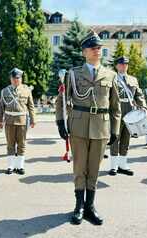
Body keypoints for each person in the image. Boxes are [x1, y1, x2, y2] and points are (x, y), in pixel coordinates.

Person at [56, 31, 121, 225]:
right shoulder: (73, 74)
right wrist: (60, 122)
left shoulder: (110, 74)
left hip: (101, 127)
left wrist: (115, 129)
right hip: (78, 127)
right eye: (93, 48)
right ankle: (79, 206)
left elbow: (115, 106)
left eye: (99, 48)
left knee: (94, 169)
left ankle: (90, 206)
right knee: (79, 169)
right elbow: (62, 100)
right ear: (84, 52)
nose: (97, 51)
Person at [109, 56, 146, 176]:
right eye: (121, 64)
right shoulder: (111, 78)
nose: (123, 66)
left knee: (126, 138)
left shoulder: (133, 80)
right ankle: (113, 166)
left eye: (125, 64)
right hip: (116, 110)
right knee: (115, 137)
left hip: (130, 111)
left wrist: (143, 106)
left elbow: (139, 95)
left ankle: (122, 165)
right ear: (117, 66)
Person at [0, 68, 36, 175]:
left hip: (22, 121)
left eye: (18, 78)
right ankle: (10, 166)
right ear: (10, 79)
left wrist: (33, 119)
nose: (16, 80)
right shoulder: (5, 91)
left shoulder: (26, 90)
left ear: (21, 79)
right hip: (9, 121)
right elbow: (0, 107)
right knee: (10, 144)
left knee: (21, 144)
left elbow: (31, 106)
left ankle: (20, 166)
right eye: (14, 78)